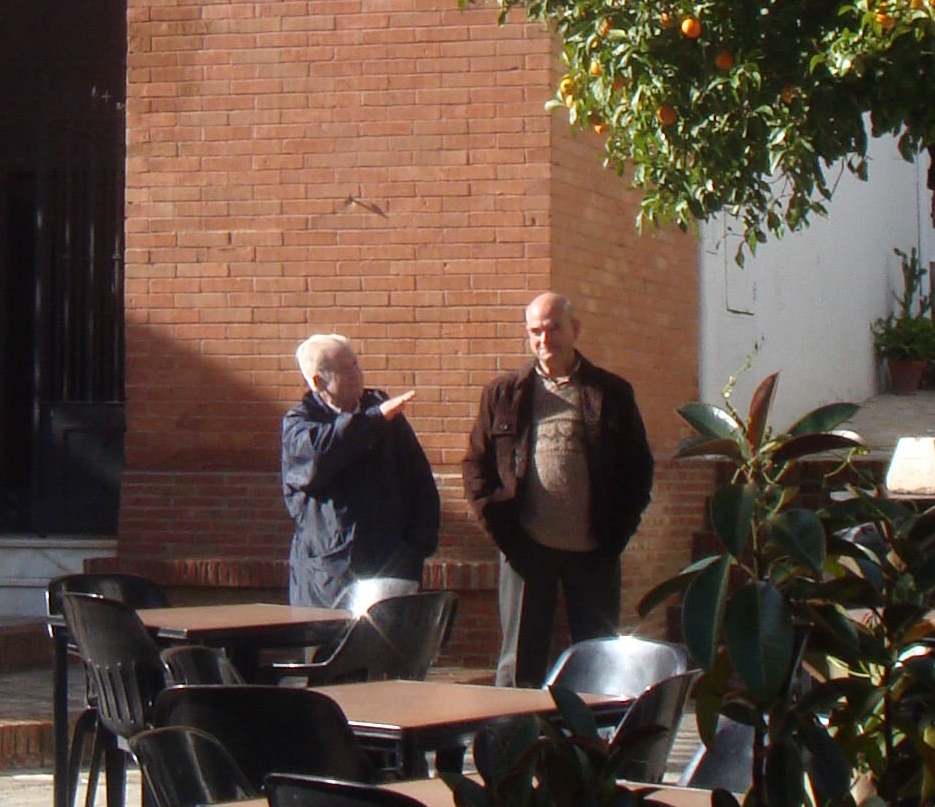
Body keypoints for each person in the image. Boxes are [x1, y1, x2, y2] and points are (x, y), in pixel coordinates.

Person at [462, 292, 655, 687]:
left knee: (597, 663)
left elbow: (639, 470)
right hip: (526, 552)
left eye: (553, 329)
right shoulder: (503, 395)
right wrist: (502, 534)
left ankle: (591, 746)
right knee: (518, 667)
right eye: (536, 332)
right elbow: (475, 467)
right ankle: (514, 745)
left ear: (575, 330)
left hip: (594, 551)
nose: (544, 340)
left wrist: (617, 533)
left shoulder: (612, 393)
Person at [280, 334, 441, 610]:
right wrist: (373, 420)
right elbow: (322, 457)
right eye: (345, 369)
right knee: (329, 653)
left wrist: (415, 550)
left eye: (356, 364)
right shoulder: (300, 424)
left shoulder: (387, 418)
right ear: (319, 382)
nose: (357, 374)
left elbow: (420, 483)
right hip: (327, 579)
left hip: (390, 571)